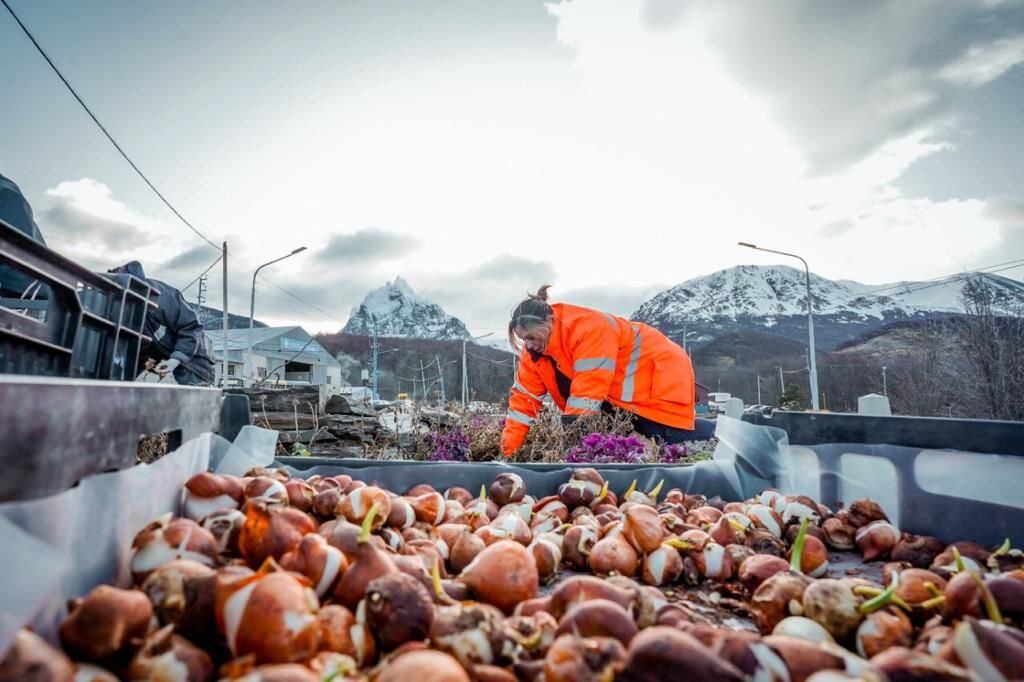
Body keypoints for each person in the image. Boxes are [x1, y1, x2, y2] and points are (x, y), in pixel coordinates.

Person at [500, 285, 715, 456]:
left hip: (658, 375)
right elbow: (522, 403)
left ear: (549, 320)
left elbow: (588, 391)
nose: (528, 344)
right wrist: (507, 453)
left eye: (530, 336)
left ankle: (720, 434)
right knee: (626, 439)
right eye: (522, 339)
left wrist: (570, 446)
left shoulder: (588, 328)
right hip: (618, 398)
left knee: (665, 435)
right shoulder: (535, 353)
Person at [108, 260, 216, 386]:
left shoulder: (160, 297)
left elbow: (191, 327)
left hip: (194, 362)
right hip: (162, 362)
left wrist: (176, 359)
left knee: (186, 401)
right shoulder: (121, 311)